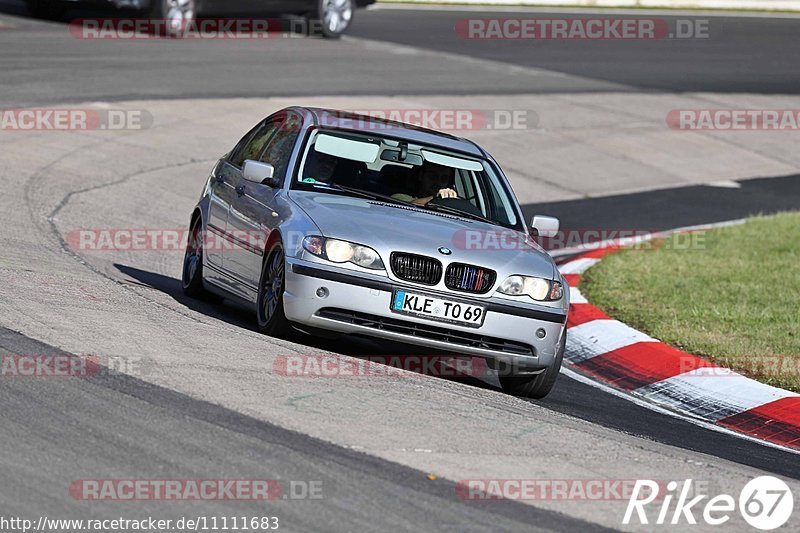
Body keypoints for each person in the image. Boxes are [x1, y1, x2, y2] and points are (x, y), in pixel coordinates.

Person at [392, 163, 457, 206]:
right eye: (433, 176)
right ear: (421, 175)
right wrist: (436, 198)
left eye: (444, 178)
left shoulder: (448, 204)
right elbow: (408, 207)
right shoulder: (400, 197)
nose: (438, 182)